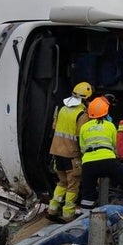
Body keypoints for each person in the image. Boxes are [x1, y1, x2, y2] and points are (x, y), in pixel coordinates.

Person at [78, 96, 123, 213]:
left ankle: (83, 221)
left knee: (87, 194)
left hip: (88, 164)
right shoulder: (109, 125)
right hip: (108, 161)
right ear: (106, 112)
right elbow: (116, 146)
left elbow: (82, 148)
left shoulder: (84, 128)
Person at [46, 82, 93, 223]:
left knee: (62, 183)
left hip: (56, 153)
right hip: (71, 155)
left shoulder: (62, 109)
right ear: (85, 99)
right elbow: (81, 137)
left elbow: (54, 128)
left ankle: (52, 210)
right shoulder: (82, 114)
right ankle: (68, 216)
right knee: (73, 186)